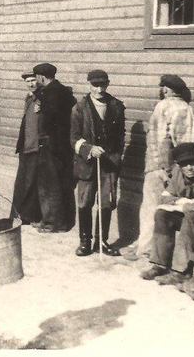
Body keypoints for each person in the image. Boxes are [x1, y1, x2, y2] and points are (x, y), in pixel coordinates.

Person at [130, 74, 194, 263]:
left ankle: (146, 249)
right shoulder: (186, 109)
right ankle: (159, 251)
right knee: (167, 208)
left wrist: (164, 168)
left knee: (151, 208)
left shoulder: (165, 107)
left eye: (163, 88)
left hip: (159, 167)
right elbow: (184, 143)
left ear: (166, 89)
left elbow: (165, 141)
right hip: (174, 168)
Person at [141, 142, 194, 286]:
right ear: (179, 165)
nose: (189, 168)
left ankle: (181, 271)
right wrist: (183, 201)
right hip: (190, 213)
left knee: (190, 216)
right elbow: (164, 197)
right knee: (162, 214)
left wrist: (178, 207)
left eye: (192, 163)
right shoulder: (177, 173)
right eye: (184, 164)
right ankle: (160, 264)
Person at [70, 69, 125, 257]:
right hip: (86, 165)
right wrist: (89, 149)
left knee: (105, 204)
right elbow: (73, 138)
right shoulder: (79, 108)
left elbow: (120, 137)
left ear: (108, 83)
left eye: (102, 84)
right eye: (95, 85)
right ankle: (85, 241)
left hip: (108, 165)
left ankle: (102, 240)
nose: (99, 89)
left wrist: (115, 157)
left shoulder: (117, 106)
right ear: (89, 85)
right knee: (85, 203)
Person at [31, 62, 77, 232]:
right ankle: (64, 222)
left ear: (41, 77)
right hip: (64, 146)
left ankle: (51, 223)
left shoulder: (49, 93)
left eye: (36, 78)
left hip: (51, 145)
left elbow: (50, 122)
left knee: (49, 185)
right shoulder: (65, 91)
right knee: (63, 183)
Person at [12, 72, 53, 230]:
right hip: (26, 147)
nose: (31, 84)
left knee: (33, 183)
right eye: (28, 81)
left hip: (38, 148)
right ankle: (20, 215)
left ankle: (31, 216)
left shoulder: (44, 98)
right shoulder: (29, 98)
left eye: (33, 81)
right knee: (22, 182)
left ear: (39, 81)